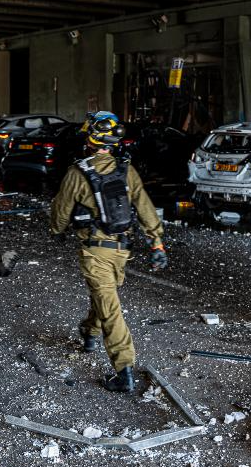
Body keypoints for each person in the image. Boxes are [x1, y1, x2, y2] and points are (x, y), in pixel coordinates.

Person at [48, 114, 168, 393]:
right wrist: (157, 243)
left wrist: (57, 230)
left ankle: (124, 371)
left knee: (109, 307)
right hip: (121, 251)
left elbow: (60, 213)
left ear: (90, 140)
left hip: (95, 252)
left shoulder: (77, 173)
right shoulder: (127, 171)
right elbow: (145, 207)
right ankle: (90, 332)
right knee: (105, 297)